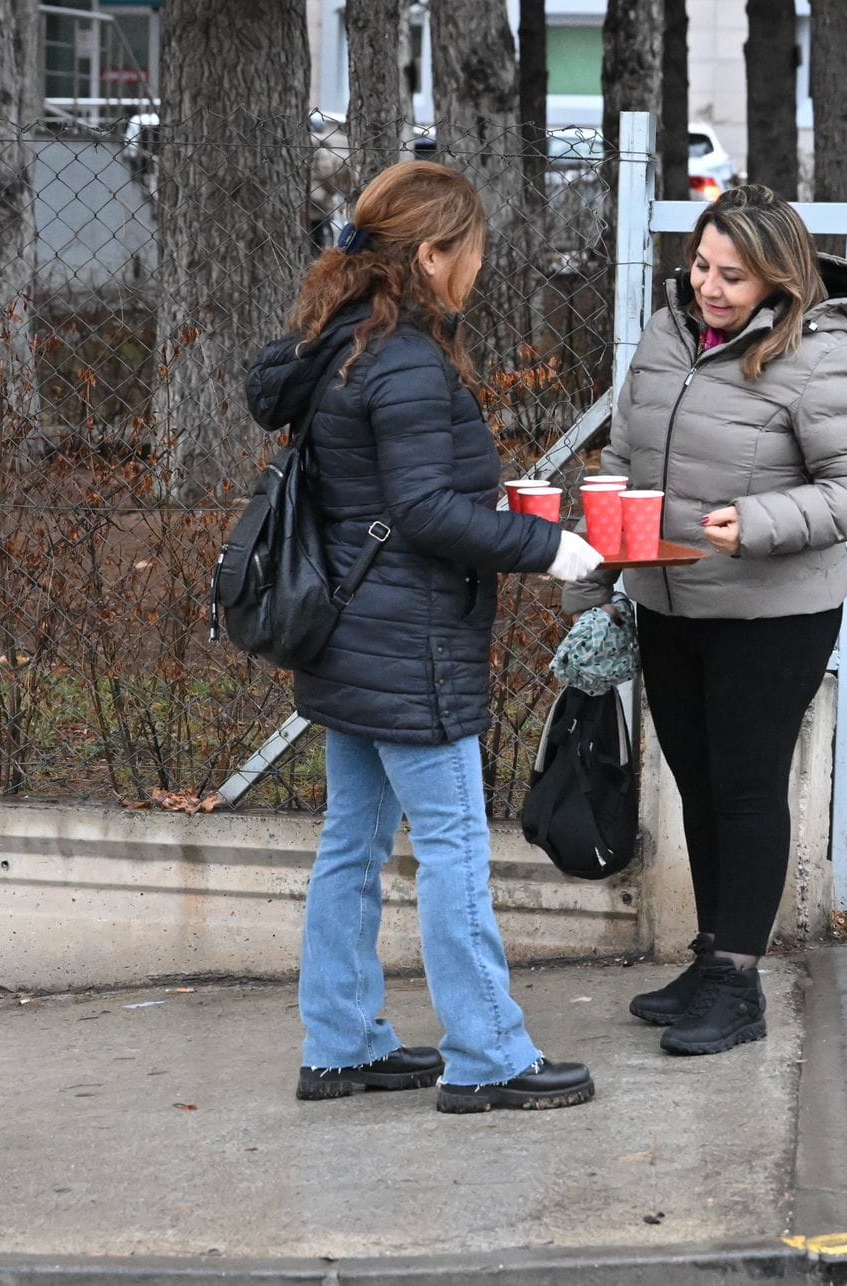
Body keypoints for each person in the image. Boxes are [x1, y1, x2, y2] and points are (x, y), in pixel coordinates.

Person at [245, 161, 603, 1114]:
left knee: (351, 842)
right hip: (410, 643)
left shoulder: (340, 345)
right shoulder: (402, 359)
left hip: (349, 634)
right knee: (451, 849)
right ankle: (489, 1055)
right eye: (473, 252)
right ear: (435, 254)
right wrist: (549, 548)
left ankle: (340, 1045)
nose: (476, 270)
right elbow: (419, 510)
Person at [563, 184, 847, 1057]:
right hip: (669, 595)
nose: (709, 286)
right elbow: (627, 452)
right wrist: (600, 563)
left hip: (770, 609)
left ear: (779, 279)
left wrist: (758, 524)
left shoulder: (825, 357)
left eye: (733, 276)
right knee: (698, 783)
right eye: (703, 265)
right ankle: (712, 958)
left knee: (745, 787)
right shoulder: (669, 332)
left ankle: (740, 983)